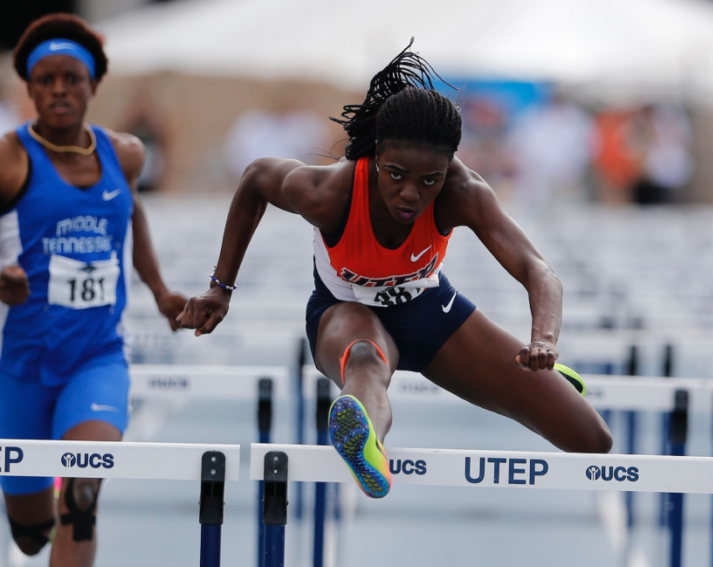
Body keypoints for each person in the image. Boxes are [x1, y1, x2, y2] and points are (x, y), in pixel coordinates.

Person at [179, 42, 612, 498]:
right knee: (366, 358)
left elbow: (539, 271)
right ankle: (367, 446)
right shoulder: (329, 193)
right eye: (397, 174)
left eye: (430, 180)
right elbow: (254, 178)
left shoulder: (465, 192)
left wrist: (543, 338)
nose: (411, 194)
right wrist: (220, 288)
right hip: (342, 312)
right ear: (378, 155)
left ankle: (539, 381)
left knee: (592, 441)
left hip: (429, 310)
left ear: (449, 170)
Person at [0, 14, 186, 565]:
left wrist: (159, 291)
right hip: (23, 363)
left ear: (92, 86)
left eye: (72, 79)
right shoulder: (10, 160)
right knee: (31, 535)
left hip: (97, 357)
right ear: (30, 88)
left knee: (81, 495)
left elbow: (132, 215)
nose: (59, 90)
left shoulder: (123, 153)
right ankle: (37, 521)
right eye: (46, 80)